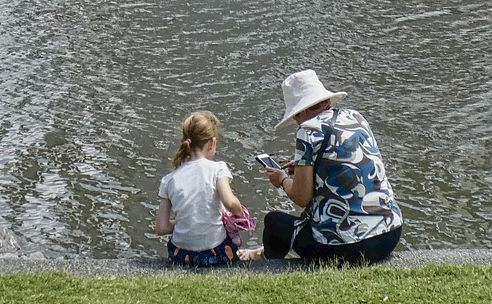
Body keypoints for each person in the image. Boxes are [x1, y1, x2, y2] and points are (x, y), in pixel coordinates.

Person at [243, 69, 402, 266]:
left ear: (301, 111)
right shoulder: (356, 117)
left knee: (274, 221)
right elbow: (346, 162)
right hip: (390, 233)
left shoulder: (307, 131)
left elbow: (302, 198)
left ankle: (268, 262)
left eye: (295, 117)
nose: (296, 122)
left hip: (349, 247)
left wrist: (282, 179)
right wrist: (309, 168)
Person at [155, 110, 248, 267]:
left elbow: (161, 228)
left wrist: (188, 221)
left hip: (180, 254)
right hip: (214, 252)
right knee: (231, 235)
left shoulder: (169, 179)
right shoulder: (218, 169)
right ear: (212, 142)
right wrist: (241, 215)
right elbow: (230, 203)